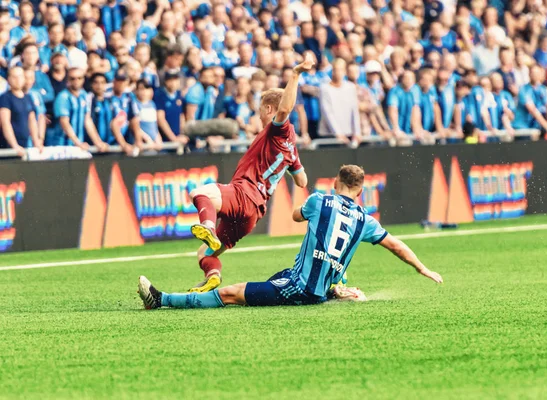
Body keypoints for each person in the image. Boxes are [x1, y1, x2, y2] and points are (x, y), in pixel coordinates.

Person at [138, 165, 443, 310]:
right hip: (312, 283)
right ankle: (337, 287)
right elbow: (396, 245)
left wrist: (305, 211)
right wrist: (423, 269)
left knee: (230, 293)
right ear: (361, 191)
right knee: (283, 274)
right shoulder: (366, 220)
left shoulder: (319, 200)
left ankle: (162, 300)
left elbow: (296, 216)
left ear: (335, 182)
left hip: (301, 289)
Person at [182, 54, 314, 293]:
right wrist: (290, 162)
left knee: (200, 192)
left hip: (245, 193)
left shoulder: (276, 129)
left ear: (268, 109)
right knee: (205, 253)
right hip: (253, 214)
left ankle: (209, 228)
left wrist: (295, 74)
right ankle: (213, 275)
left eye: (260, 110)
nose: (258, 116)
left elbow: (285, 108)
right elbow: (302, 180)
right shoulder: (290, 146)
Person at [54, 68, 107, 150]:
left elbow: (87, 121)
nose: (76, 81)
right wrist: (77, 142)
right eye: (73, 78)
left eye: (79, 78)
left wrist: (98, 142)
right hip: (63, 145)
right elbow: (64, 122)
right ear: (68, 80)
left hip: (78, 145)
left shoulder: (84, 96)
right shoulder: (63, 97)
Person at [318, 58, 361, 144]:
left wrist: (357, 132)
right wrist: (338, 133)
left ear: (345, 71)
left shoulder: (351, 87)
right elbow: (327, 112)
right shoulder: (324, 88)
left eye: (341, 70)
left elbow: (354, 110)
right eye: (335, 70)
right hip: (328, 134)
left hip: (348, 133)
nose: (338, 72)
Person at [0, 66, 42, 156]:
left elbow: (32, 121)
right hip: (8, 146)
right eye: (14, 77)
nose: (17, 80)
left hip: (25, 143)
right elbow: (5, 123)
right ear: (8, 79)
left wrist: (36, 141)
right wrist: (14, 145)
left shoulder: (28, 98)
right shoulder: (5, 98)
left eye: (20, 76)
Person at [154, 69, 187, 145]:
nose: (173, 83)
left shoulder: (179, 94)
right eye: (170, 80)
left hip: (179, 138)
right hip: (166, 141)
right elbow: (160, 119)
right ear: (166, 81)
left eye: (175, 80)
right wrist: (173, 138)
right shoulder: (160, 95)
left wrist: (182, 134)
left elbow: (181, 116)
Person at [87, 73, 114, 146]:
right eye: (96, 82)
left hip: (110, 145)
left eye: (102, 82)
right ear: (91, 84)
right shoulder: (88, 99)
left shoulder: (110, 100)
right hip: (93, 146)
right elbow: (87, 121)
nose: (99, 86)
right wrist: (98, 142)